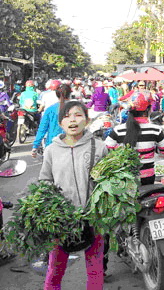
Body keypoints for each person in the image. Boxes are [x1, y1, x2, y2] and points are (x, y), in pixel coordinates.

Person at [39, 100, 108, 290]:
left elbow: (109, 183)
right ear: (61, 123)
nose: (72, 120)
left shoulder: (100, 147)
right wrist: (51, 208)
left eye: (78, 115)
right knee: (54, 269)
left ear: (87, 120)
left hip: (94, 219)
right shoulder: (51, 150)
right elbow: (45, 180)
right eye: (67, 116)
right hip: (62, 221)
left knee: (95, 269)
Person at [105, 92, 164, 185]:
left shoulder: (118, 130)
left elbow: (106, 149)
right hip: (147, 178)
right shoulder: (155, 129)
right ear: (148, 110)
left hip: (125, 178)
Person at [32, 84, 72, 157]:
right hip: (72, 146)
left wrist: (35, 146)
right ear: (70, 94)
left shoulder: (50, 109)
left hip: (53, 145)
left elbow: (42, 129)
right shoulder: (76, 109)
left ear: (57, 95)